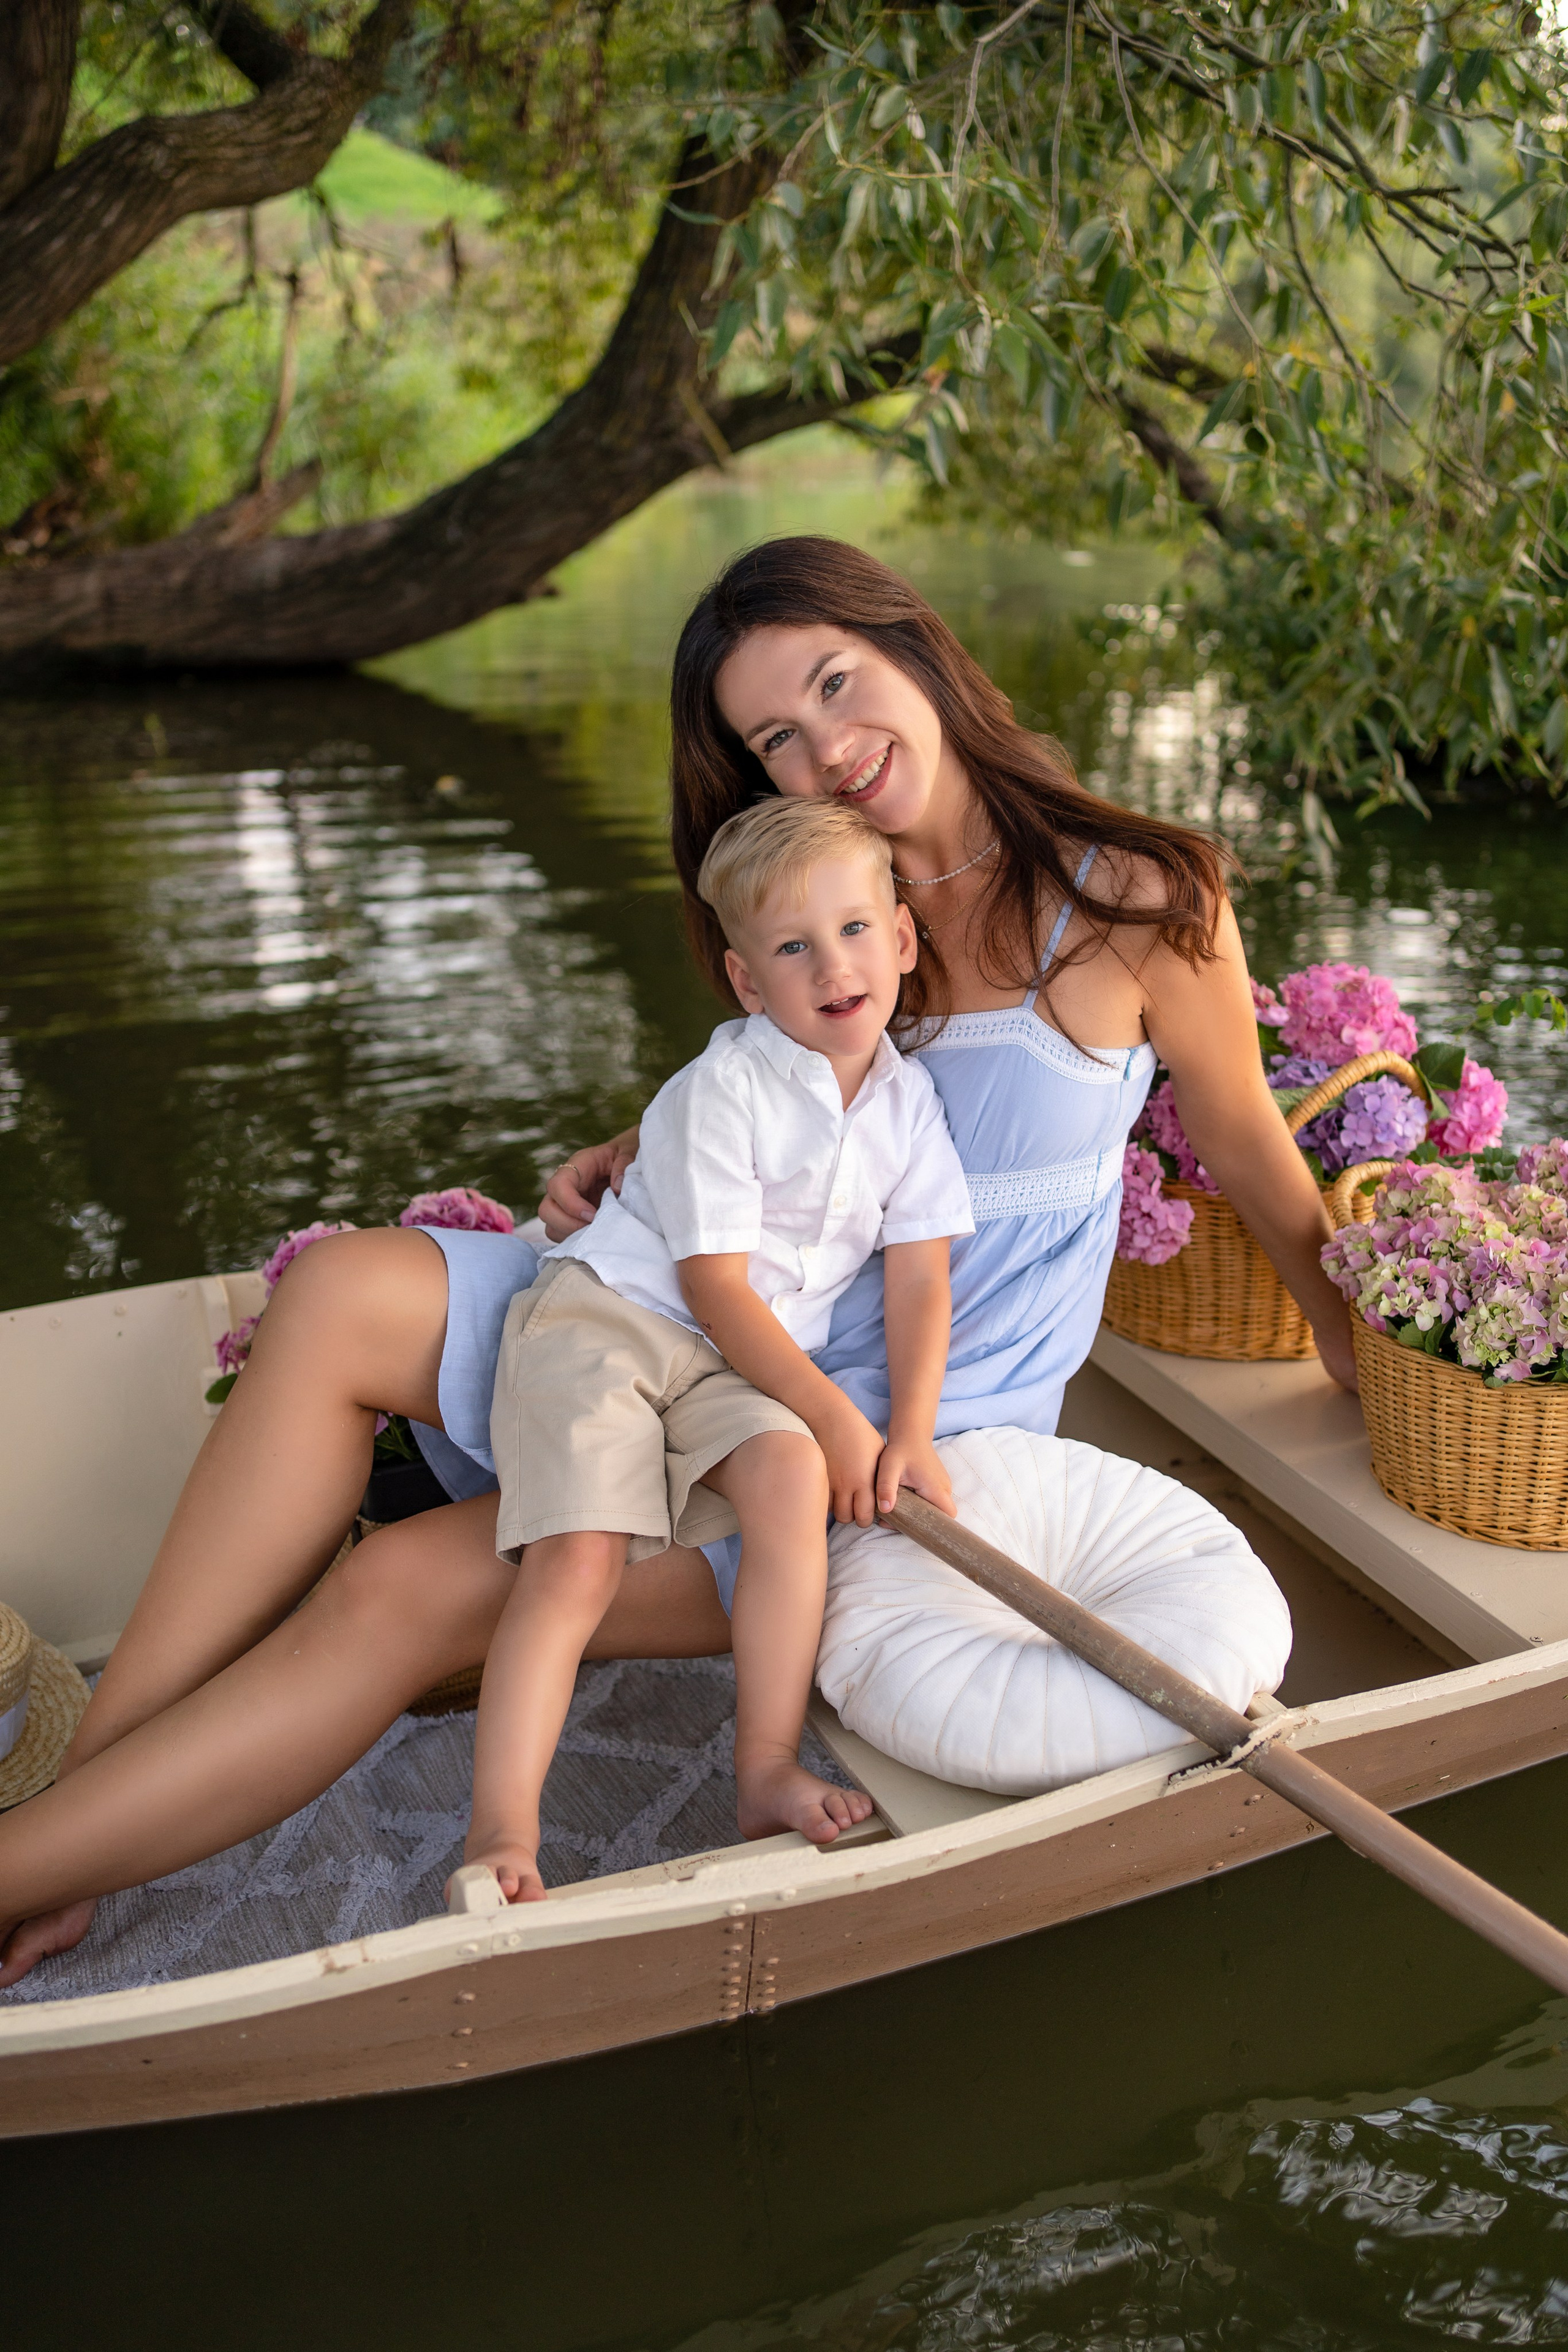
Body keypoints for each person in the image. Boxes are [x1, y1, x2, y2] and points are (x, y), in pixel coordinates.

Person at [0, 535, 1354, 1987]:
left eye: (835, 682)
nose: (827, 749)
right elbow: (775, 1101)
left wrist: (1369, 1345)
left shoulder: (1137, 902)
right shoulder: (811, 897)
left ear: (913, 645)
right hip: (701, 1314)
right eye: (775, 738)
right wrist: (632, 1145)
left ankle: (33, 1863)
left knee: (410, 1585)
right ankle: (85, 1782)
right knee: (333, 1296)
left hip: (880, 1420)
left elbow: (1252, 1160)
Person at [467, 797, 970, 1896]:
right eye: (792, 948)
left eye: (854, 929)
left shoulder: (909, 1105)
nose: (831, 966)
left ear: (901, 938)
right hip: (611, 1318)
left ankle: (765, 1768)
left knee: (790, 1475)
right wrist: (836, 1418)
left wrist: (909, 1432)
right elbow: (714, 1287)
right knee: (582, 1554)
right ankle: (501, 1831)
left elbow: (920, 1274)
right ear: (747, 982)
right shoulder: (722, 1090)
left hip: (723, 1358)